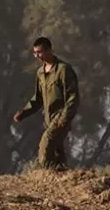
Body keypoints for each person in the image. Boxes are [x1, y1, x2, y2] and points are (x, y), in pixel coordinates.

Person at [12, 37, 79, 170]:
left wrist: (65, 118)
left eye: (40, 52)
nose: (37, 56)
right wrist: (23, 112)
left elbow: (73, 97)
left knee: (46, 143)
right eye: (35, 53)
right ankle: (63, 177)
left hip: (60, 117)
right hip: (48, 118)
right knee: (57, 150)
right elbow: (38, 99)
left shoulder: (63, 70)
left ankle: (45, 173)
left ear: (49, 50)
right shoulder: (40, 73)